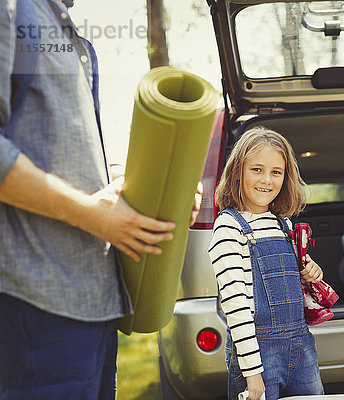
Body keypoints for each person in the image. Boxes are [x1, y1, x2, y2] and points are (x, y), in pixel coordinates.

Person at [0, 1, 200, 398]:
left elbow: (59, 159)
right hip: (37, 308)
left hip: (91, 309)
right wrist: (90, 214)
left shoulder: (58, 24)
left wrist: (155, 193)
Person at [209, 127, 324, 400]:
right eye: (257, 169)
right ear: (238, 172)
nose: (267, 180)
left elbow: (291, 280)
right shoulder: (229, 227)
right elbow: (235, 305)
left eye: (276, 172)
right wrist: (252, 373)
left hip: (301, 346)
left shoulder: (283, 225)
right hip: (257, 353)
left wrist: (311, 273)